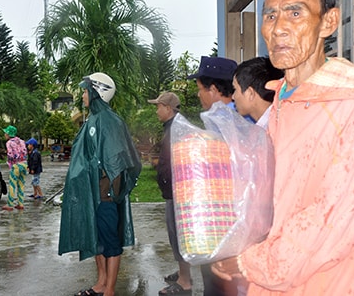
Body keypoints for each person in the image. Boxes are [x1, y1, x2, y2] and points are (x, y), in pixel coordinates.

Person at [212, 0, 354, 295]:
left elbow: (334, 218)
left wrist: (248, 263)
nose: (279, 28)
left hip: (339, 282)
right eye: (270, 16)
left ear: (328, 22)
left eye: (295, 13)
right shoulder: (283, 99)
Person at [59, 72, 141, 296]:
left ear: (97, 92)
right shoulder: (92, 120)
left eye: (86, 91)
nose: (83, 95)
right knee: (97, 240)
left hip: (105, 195)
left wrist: (110, 193)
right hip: (91, 194)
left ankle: (110, 290)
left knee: (110, 242)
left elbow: (118, 160)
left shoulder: (110, 121)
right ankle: (101, 283)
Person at [187, 56, 240, 296]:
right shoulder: (241, 116)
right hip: (236, 221)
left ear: (215, 89)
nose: (198, 95)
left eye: (200, 89)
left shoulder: (222, 122)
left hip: (223, 222)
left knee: (217, 284)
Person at [148, 92, 192, 295]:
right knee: (177, 235)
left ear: (167, 108)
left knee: (179, 236)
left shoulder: (176, 128)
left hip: (178, 193)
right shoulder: (173, 127)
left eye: (158, 106)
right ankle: (184, 272)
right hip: (175, 191)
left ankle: (184, 282)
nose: (156, 110)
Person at [232, 57, 284, 129]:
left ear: (250, 93)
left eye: (235, 89)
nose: (233, 97)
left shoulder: (274, 129)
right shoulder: (270, 123)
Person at [2, 125, 27, 211]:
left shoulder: (9, 143)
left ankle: (10, 204)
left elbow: (10, 155)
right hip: (24, 164)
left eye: (5, 133)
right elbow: (25, 152)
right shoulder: (22, 141)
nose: (5, 134)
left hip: (16, 165)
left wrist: (10, 164)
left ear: (9, 134)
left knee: (12, 185)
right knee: (21, 184)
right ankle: (21, 203)